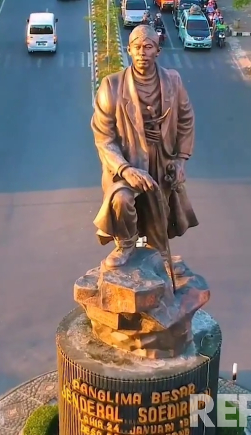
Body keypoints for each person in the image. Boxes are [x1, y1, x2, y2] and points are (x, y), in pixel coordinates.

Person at [91, 25, 198, 268]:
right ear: (128, 50)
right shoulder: (112, 87)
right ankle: (126, 244)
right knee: (121, 199)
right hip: (126, 165)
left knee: (159, 217)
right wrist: (125, 169)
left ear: (158, 51)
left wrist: (181, 159)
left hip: (162, 161)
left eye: (148, 47)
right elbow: (103, 137)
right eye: (137, 47)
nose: (142, 52)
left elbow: (186, 118)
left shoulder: (173, 81)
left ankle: (159, 257)